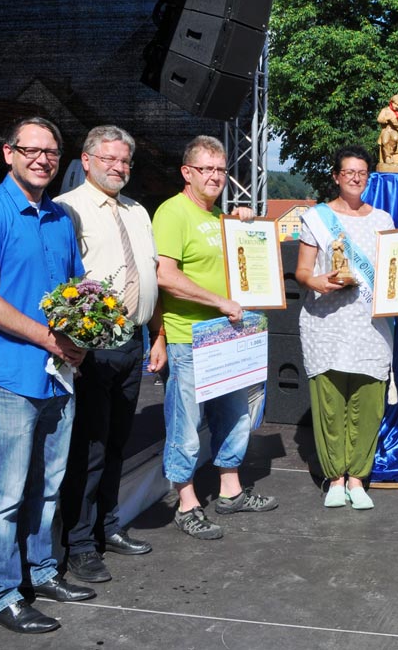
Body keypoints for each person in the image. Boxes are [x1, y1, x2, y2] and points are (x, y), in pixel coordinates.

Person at [0, 117, 94, 634]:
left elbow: (75, 291)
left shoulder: (59, 217)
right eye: (30, 150)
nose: (42, 159)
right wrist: (47, 338)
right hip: (9, 376)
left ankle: (41, 571)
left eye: (51, 152)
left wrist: (88, 328)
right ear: (8, 154)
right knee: (4, 495)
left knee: (49, 487)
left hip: (58, 375)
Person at [56, 125, 166, 584]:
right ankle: (80, 545)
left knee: (119, 442)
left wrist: (157, 335)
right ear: (86, 160)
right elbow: (61, 280)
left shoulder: (138, 210)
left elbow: (151, 276)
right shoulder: (67, 210)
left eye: (125, 161)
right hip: (92, 347)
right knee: (90, 448)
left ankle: (108, 527)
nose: (118, 168)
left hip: (134, 341)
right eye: (109, 160)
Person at [153, 135, 275, 539]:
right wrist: (219, 302)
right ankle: (186, 503)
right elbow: (165, 276)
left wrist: (242, 227)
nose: (215, 177)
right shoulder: (173, 212)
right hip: (189, 337)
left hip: (228, 338)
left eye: (221, 170)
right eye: (206, 169)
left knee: (237, 417)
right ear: (187, 172)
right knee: (186, 429)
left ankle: (231, 491)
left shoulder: (219, 217)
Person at [295, 145, 398, 509]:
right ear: (336, 176)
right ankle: (335, 478)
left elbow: (393, 273)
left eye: (362, 173)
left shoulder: (384, 220)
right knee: (330, 403)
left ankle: (358, 477)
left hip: (370, 328)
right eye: (349, 172)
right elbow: (301, 273)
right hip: (326, 325)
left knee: (369, 402)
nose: (356, 178)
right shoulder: (317, 217)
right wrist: (319, 281)